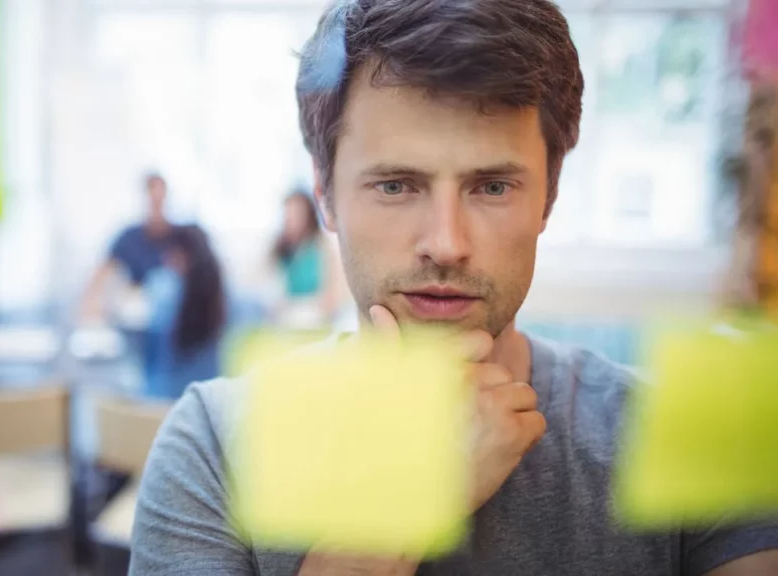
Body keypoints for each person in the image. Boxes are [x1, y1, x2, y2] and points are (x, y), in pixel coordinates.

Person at [130, 1, 778, 575]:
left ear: (550, 195)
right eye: (396, 185)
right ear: (325, 194)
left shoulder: (682, 434)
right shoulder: (213, 444)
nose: (445, 242)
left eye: (492, 187)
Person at [144, 224, 227, 400]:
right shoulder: (223, 297)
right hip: (208, 399)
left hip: (164, 400)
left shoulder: (166, 289)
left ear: (181, 255)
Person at [80, 172, 176, 322]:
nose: (156, 204)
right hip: (139, 316)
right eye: (152, 199)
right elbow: (101, 273)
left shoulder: (181, 237)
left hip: (174, 319)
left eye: (160, 199)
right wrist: (91, 304)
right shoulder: (129, 238)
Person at [267, 189, 344, 328]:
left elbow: (332, 293)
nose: (291, 219)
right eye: (288, 214)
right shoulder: (279, 248)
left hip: (316, 317)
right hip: (286, 316)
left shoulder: (322, 246)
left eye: (297, 214)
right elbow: (270, 288)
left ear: (308, 216)